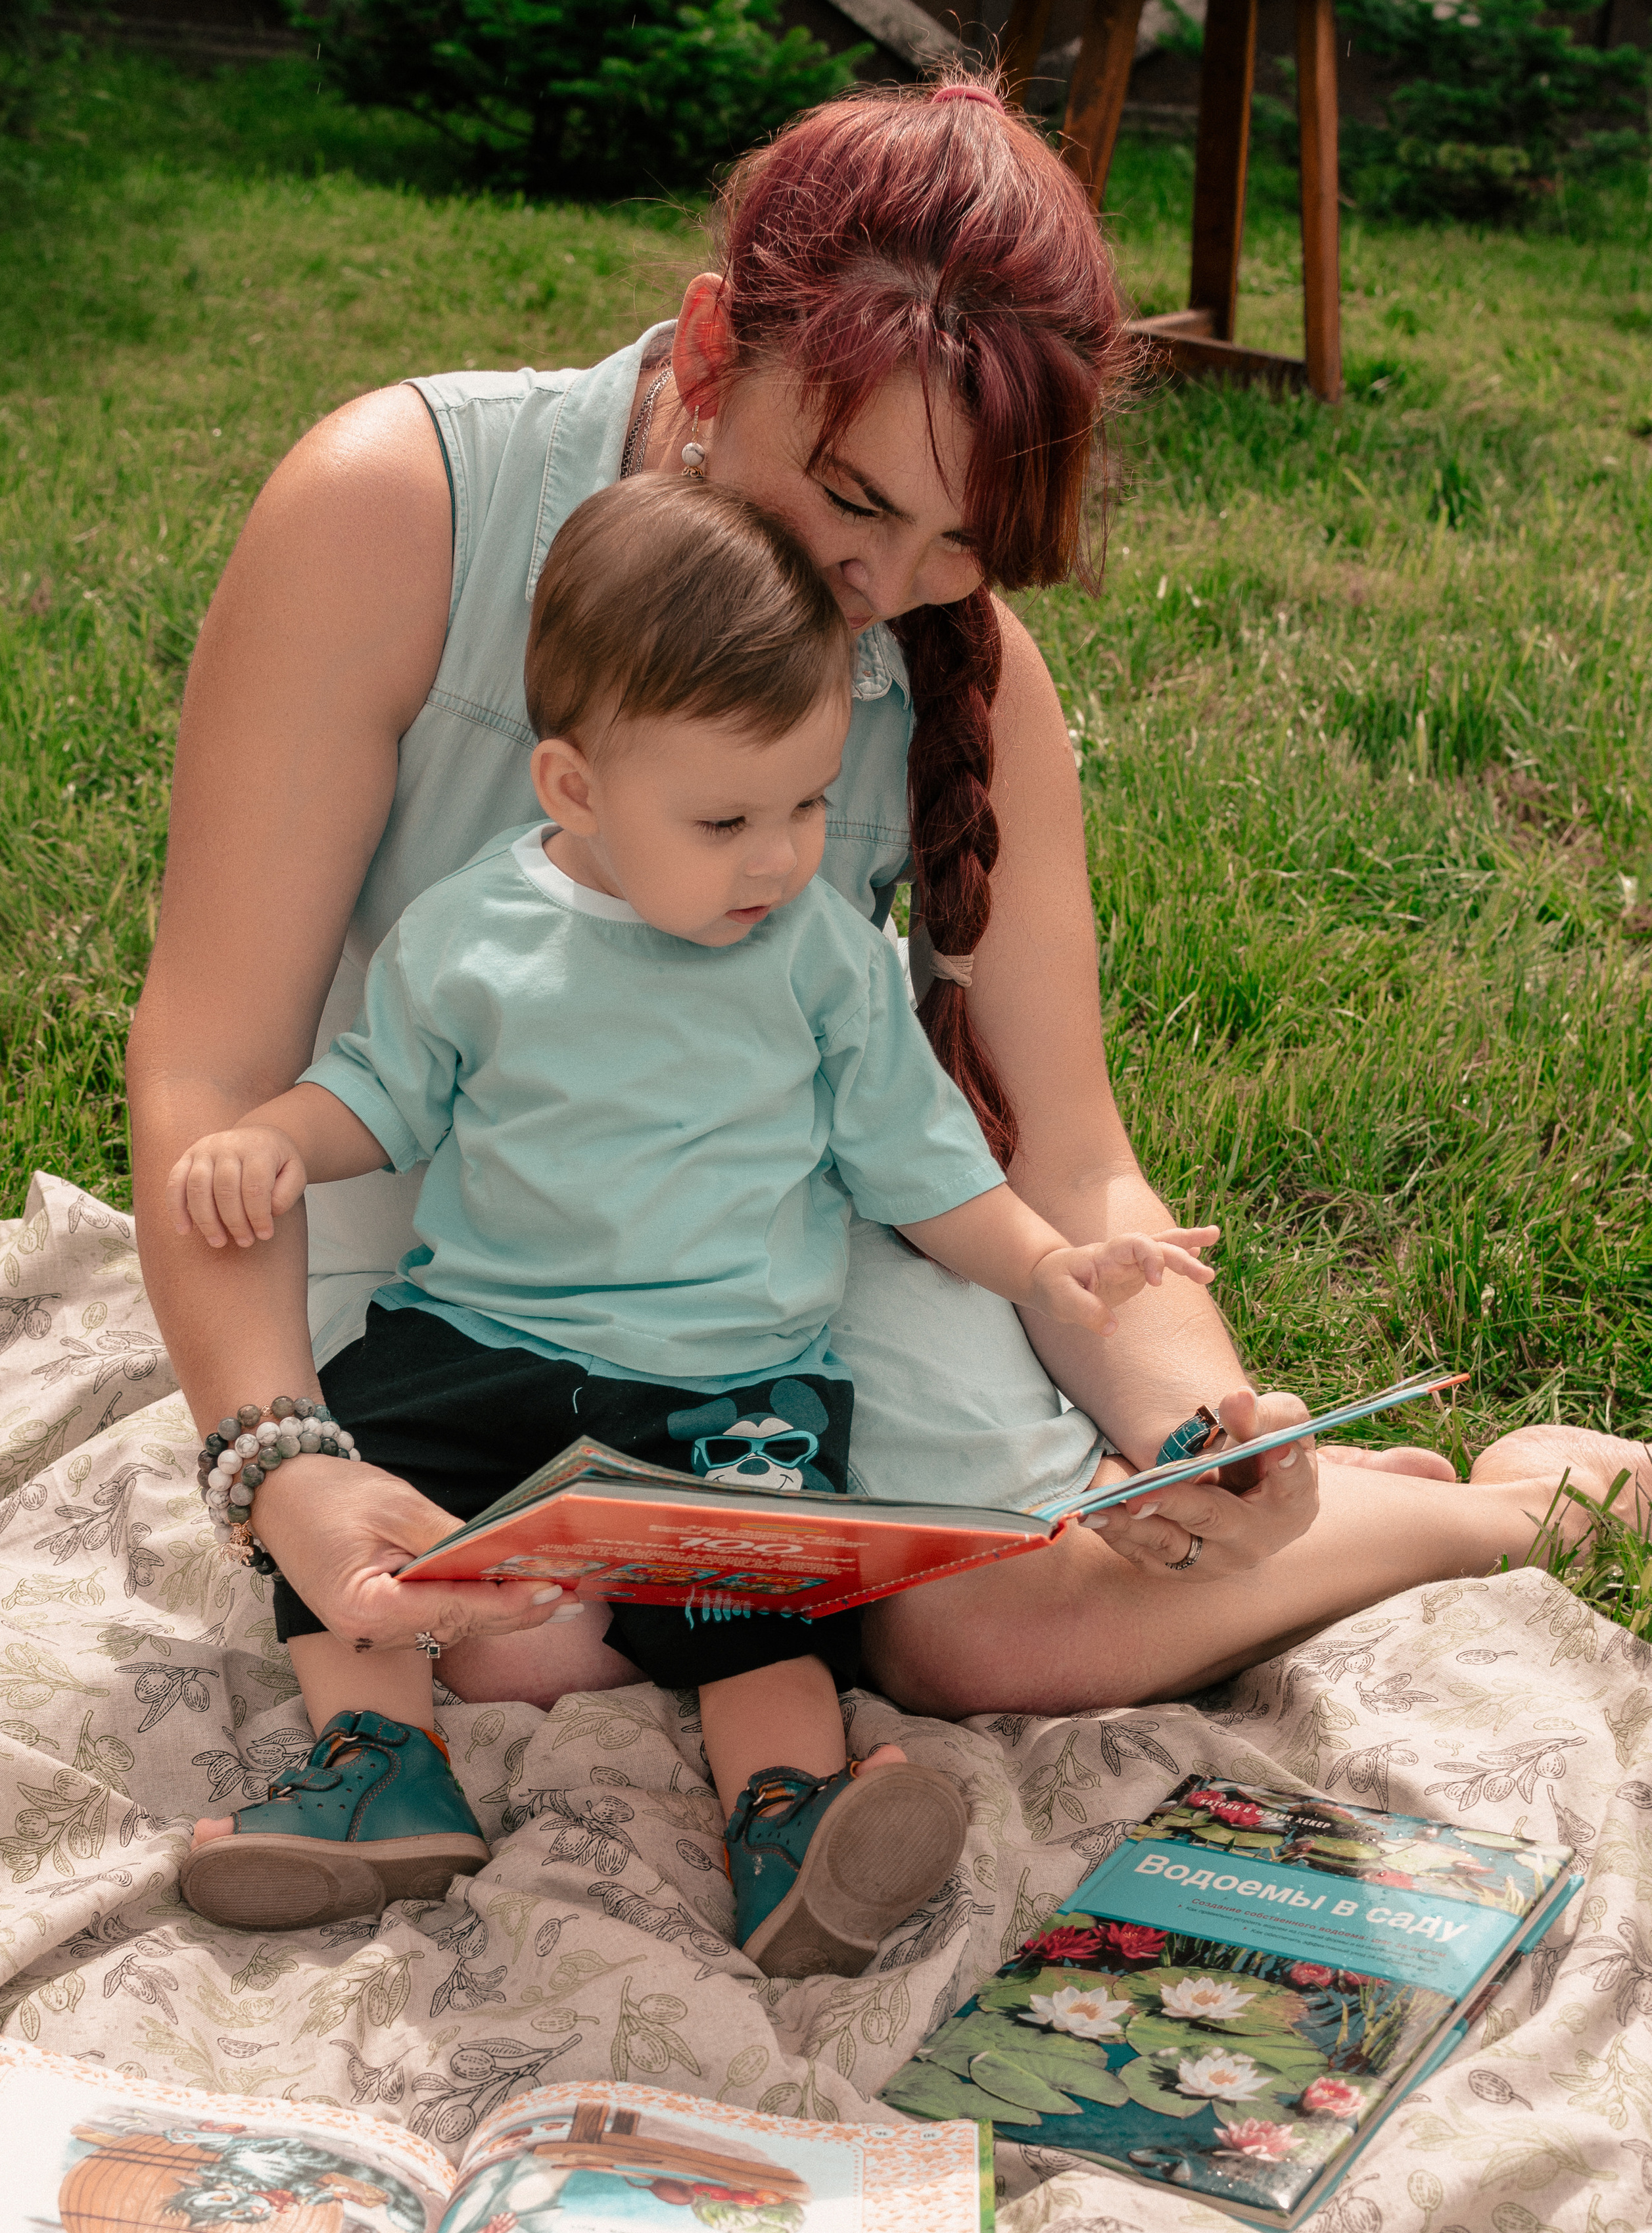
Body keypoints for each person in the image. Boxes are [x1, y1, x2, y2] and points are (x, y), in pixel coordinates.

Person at [126, 74, 1649, 1757]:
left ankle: (1497, 1508)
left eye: (957, 544)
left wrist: (1188, 1431)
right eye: (853, 502)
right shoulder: (398, 505)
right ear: (712, 350)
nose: (881, 590)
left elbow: (1070, 1162)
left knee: (988, 1629)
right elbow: (214, 1065)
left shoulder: (966, 672)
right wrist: (278, 1457)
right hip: (427, 1221)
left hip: (768, 1244)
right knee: (507, 1636)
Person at [168, 477, 1218, 1961]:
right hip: (478, 1339)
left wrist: (1052, 1265)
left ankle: (792, 1821)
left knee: (762, 1601)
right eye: (725, 818)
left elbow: (923, 1168)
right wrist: (274, 1138)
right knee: (348, 1491)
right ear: (575, 788)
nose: (778, 857)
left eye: (806, 804)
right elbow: (380, 1094)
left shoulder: (820, 960)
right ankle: (379, 1767)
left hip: (733, 1380)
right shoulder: (472, 934)